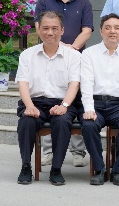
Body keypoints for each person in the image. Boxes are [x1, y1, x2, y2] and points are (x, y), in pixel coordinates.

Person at [35, 0, 94, 170]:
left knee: (75, 103)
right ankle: (48, 151)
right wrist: (58, 46)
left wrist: (71, 48)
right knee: (49, 101)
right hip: (49, 58)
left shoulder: (84, 3)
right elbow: (39, 27)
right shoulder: (44, 1)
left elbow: (87, 30)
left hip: (76, 59)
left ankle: (78, 151)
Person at [14, 11, 81, 186]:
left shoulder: (74, 56)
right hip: (34, 101)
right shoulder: (27, 55)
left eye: (54, 28)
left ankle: (56, 169)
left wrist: (64, 105)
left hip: (62, 102)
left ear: (62, 30)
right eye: (45, 28)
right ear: (38, 29)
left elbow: (74, 84)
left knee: (62, 121)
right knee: (26, 121)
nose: (50, 32)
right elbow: (23, 83)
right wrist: (29, 106)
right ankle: (26, 167)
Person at [78, 13, 119, 186]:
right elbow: (86, 84)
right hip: (95, 103)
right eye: (108, 27)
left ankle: (118, 170)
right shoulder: (89, 54)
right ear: (101, 31)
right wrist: (89, 109)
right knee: (89, 125)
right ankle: (99, 170)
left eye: (117, 28)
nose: (112, 31)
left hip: (118, 105)